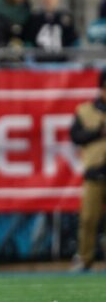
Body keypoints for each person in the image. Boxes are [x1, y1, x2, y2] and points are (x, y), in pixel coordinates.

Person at [69, 70, 106, 272]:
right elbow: (75, 136)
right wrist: (97, 132)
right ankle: (84, 259)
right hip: (94, 172)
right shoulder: (85, 110)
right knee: (88, 219)